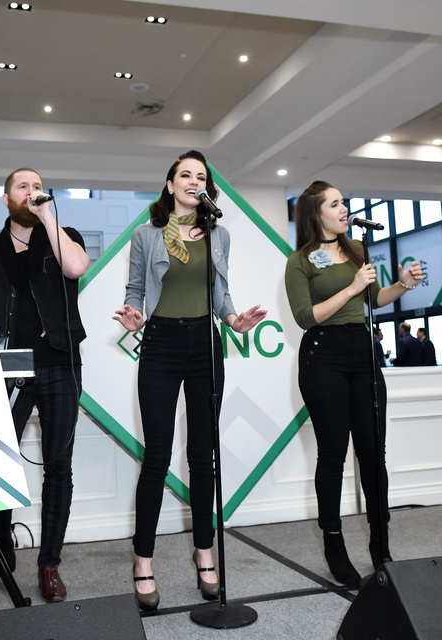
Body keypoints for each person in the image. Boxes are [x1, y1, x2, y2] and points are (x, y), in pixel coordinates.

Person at [113, 150, 267, 610]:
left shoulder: (218, 234)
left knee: (203, 454)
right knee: (157, 455)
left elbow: (221, 291)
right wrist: (135, 315)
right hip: (159, 344)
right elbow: (135, 288)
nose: (193, 182)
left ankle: (205, 553)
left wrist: (235, 319)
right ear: (169, 184)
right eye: (185, 175)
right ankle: (143, 559)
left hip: (206, 344)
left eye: (201, 177)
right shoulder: (146, 235)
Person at [284, 180, 423, 587]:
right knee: (332, 455)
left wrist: (403, 286)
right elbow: (306, 317)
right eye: (336, 203)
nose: (345, 208)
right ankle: (333, 543)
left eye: (344, 202)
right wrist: (352, 287)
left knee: (372, 453)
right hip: (322, 356)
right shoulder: (300, 261)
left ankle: (381, 545)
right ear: (316, 213)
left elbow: (375, 299)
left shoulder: (358, 250)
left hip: (362, 354)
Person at [0, 167, 89, 602]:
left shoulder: (63, 235)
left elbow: (74, 268)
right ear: (5, 198)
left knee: (59, 465)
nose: (32, 192)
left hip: (58, 362)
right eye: (23, 187)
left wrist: (49, 218)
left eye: (38, 187)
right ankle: (0, 556)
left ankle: (49, 562)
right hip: (5, 368)